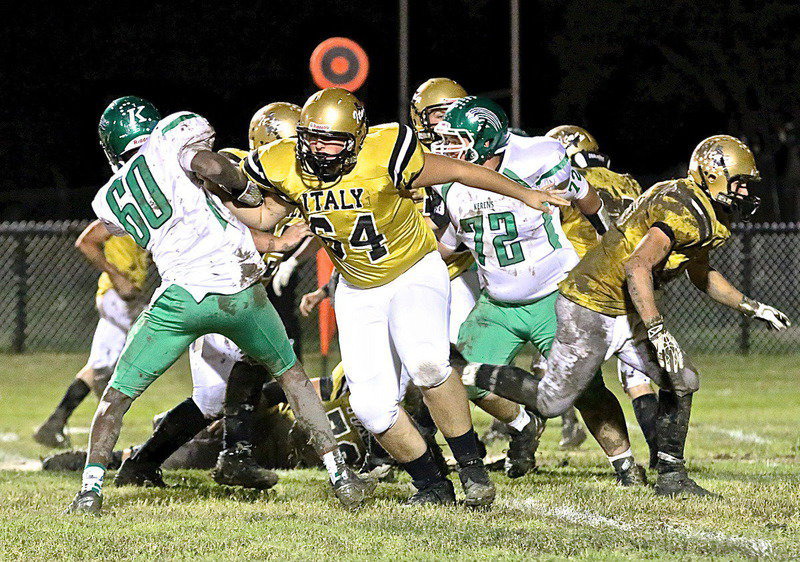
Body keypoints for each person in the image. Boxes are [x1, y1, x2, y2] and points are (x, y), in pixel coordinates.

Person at [218, 87, 569, 506]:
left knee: (428, 362)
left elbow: (458, 170)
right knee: (371, 407)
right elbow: (263, 214)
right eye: (312, 138)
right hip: (357, 286)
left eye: (332, 140)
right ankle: (433, 486)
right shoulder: (284, 161)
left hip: (412, 270)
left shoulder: (385, 150)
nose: (320, 149)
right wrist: (212, 194)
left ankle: (473, 471)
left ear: (358, 138)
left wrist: (524, 193)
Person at [67, 96, 371, 514]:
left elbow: (136, 219)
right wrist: (245, 191)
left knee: (117, 396)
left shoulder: (111, 196)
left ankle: (90, 491)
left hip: (180, 300)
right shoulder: (175, 138)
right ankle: (341, 476)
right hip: (238, 290)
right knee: (293, 379)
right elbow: (210, 167)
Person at [470, 134, 791, 496]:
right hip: (592, 302)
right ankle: (473, 370)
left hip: (628, 306)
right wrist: (657, 329)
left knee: (682, 379)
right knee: (552, 401)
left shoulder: (709, 213)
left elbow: (699, 270)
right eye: (740, 185)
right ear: (712, 174)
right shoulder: (681, 206)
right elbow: (637, 265)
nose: (745, 194)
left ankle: (671, 477)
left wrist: (752, 306)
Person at [431, 97, 645, 484]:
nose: (447, 150)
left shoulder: (538, 157)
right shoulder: (450, 184)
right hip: (496, 303)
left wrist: (608, 242)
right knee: (461, 376)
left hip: (555, 295)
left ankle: (626, 464)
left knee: (584, 388)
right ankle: (523, 421)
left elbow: (586, 197)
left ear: (484, 140)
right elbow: (446, 246)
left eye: (457, 140)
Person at [546, 125, 657, 461]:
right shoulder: (628, 182)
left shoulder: (563, 180)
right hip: (629, 283)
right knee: (639, 378)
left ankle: (523, 444)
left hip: (586, 288)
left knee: (556, 371)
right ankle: (662, 456)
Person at [33, 222, 148, 449]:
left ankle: (54, 423)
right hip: (118, 298)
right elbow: (85, 242)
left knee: (99, 366)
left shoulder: (149, 213)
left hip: (118, 299)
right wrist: (117, 275)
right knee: (162, 330)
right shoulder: (121, 210)